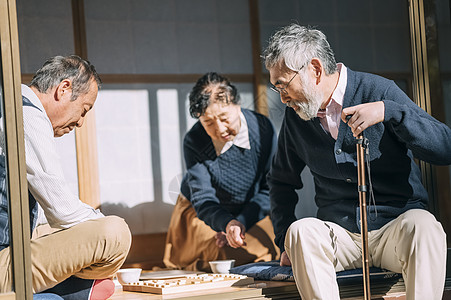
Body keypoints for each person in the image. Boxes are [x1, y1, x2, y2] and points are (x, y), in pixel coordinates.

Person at [262, 24, 451, 300]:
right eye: (275, 87)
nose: (282, 97)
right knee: (300, 231)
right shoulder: (297, 116)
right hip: (340, 236)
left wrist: (391, 112)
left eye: (284, 85)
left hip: (394, 230)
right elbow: (280, 181)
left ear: (314, 69)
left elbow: (444, 147)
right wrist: (284, 241)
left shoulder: (379, 90)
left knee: (425, 226)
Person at [0, 55, 131, 298]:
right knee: (115, 233)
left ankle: (58, 291)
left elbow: (42, 218)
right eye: (84, 109)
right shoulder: (23, 113)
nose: (81, 122)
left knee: (54, 230)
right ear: (63, 89)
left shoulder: (11, 104)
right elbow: (63, 211)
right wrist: (98, 222)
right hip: (2, 263)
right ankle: (64, 290)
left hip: (9, 250)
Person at [163, 72, 279, 272]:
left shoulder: (263, 129)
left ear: (237, 104)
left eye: (224, 118)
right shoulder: (194, 141)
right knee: (220, 256)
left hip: (249, 210)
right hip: (202, 212)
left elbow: (270, 189)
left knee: (267, 251)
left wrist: (240, 222)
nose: (220, 129)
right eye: (208, 122)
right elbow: (203, 198)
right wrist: (226, 224)